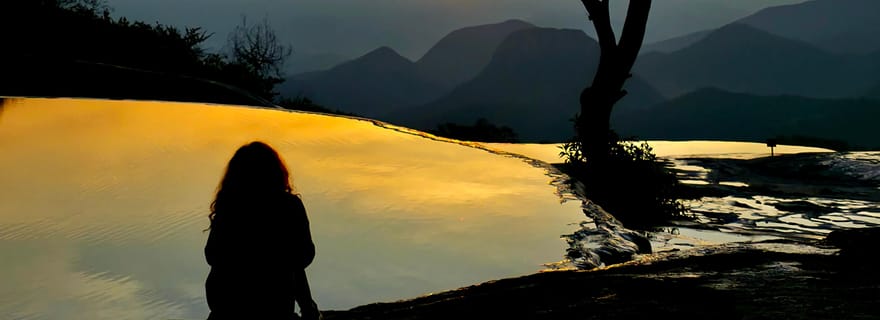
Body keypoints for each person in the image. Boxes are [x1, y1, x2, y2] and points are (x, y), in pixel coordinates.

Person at [205, 141, 321, 319]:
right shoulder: (289, 206)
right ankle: (308, 308)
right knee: (288, 261)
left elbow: (211, 255)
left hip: (225, 303)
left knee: (288, 261)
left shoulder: (231, 205)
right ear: (276, 172)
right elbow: (303, 257)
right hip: (274, 302)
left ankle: (307, 307)